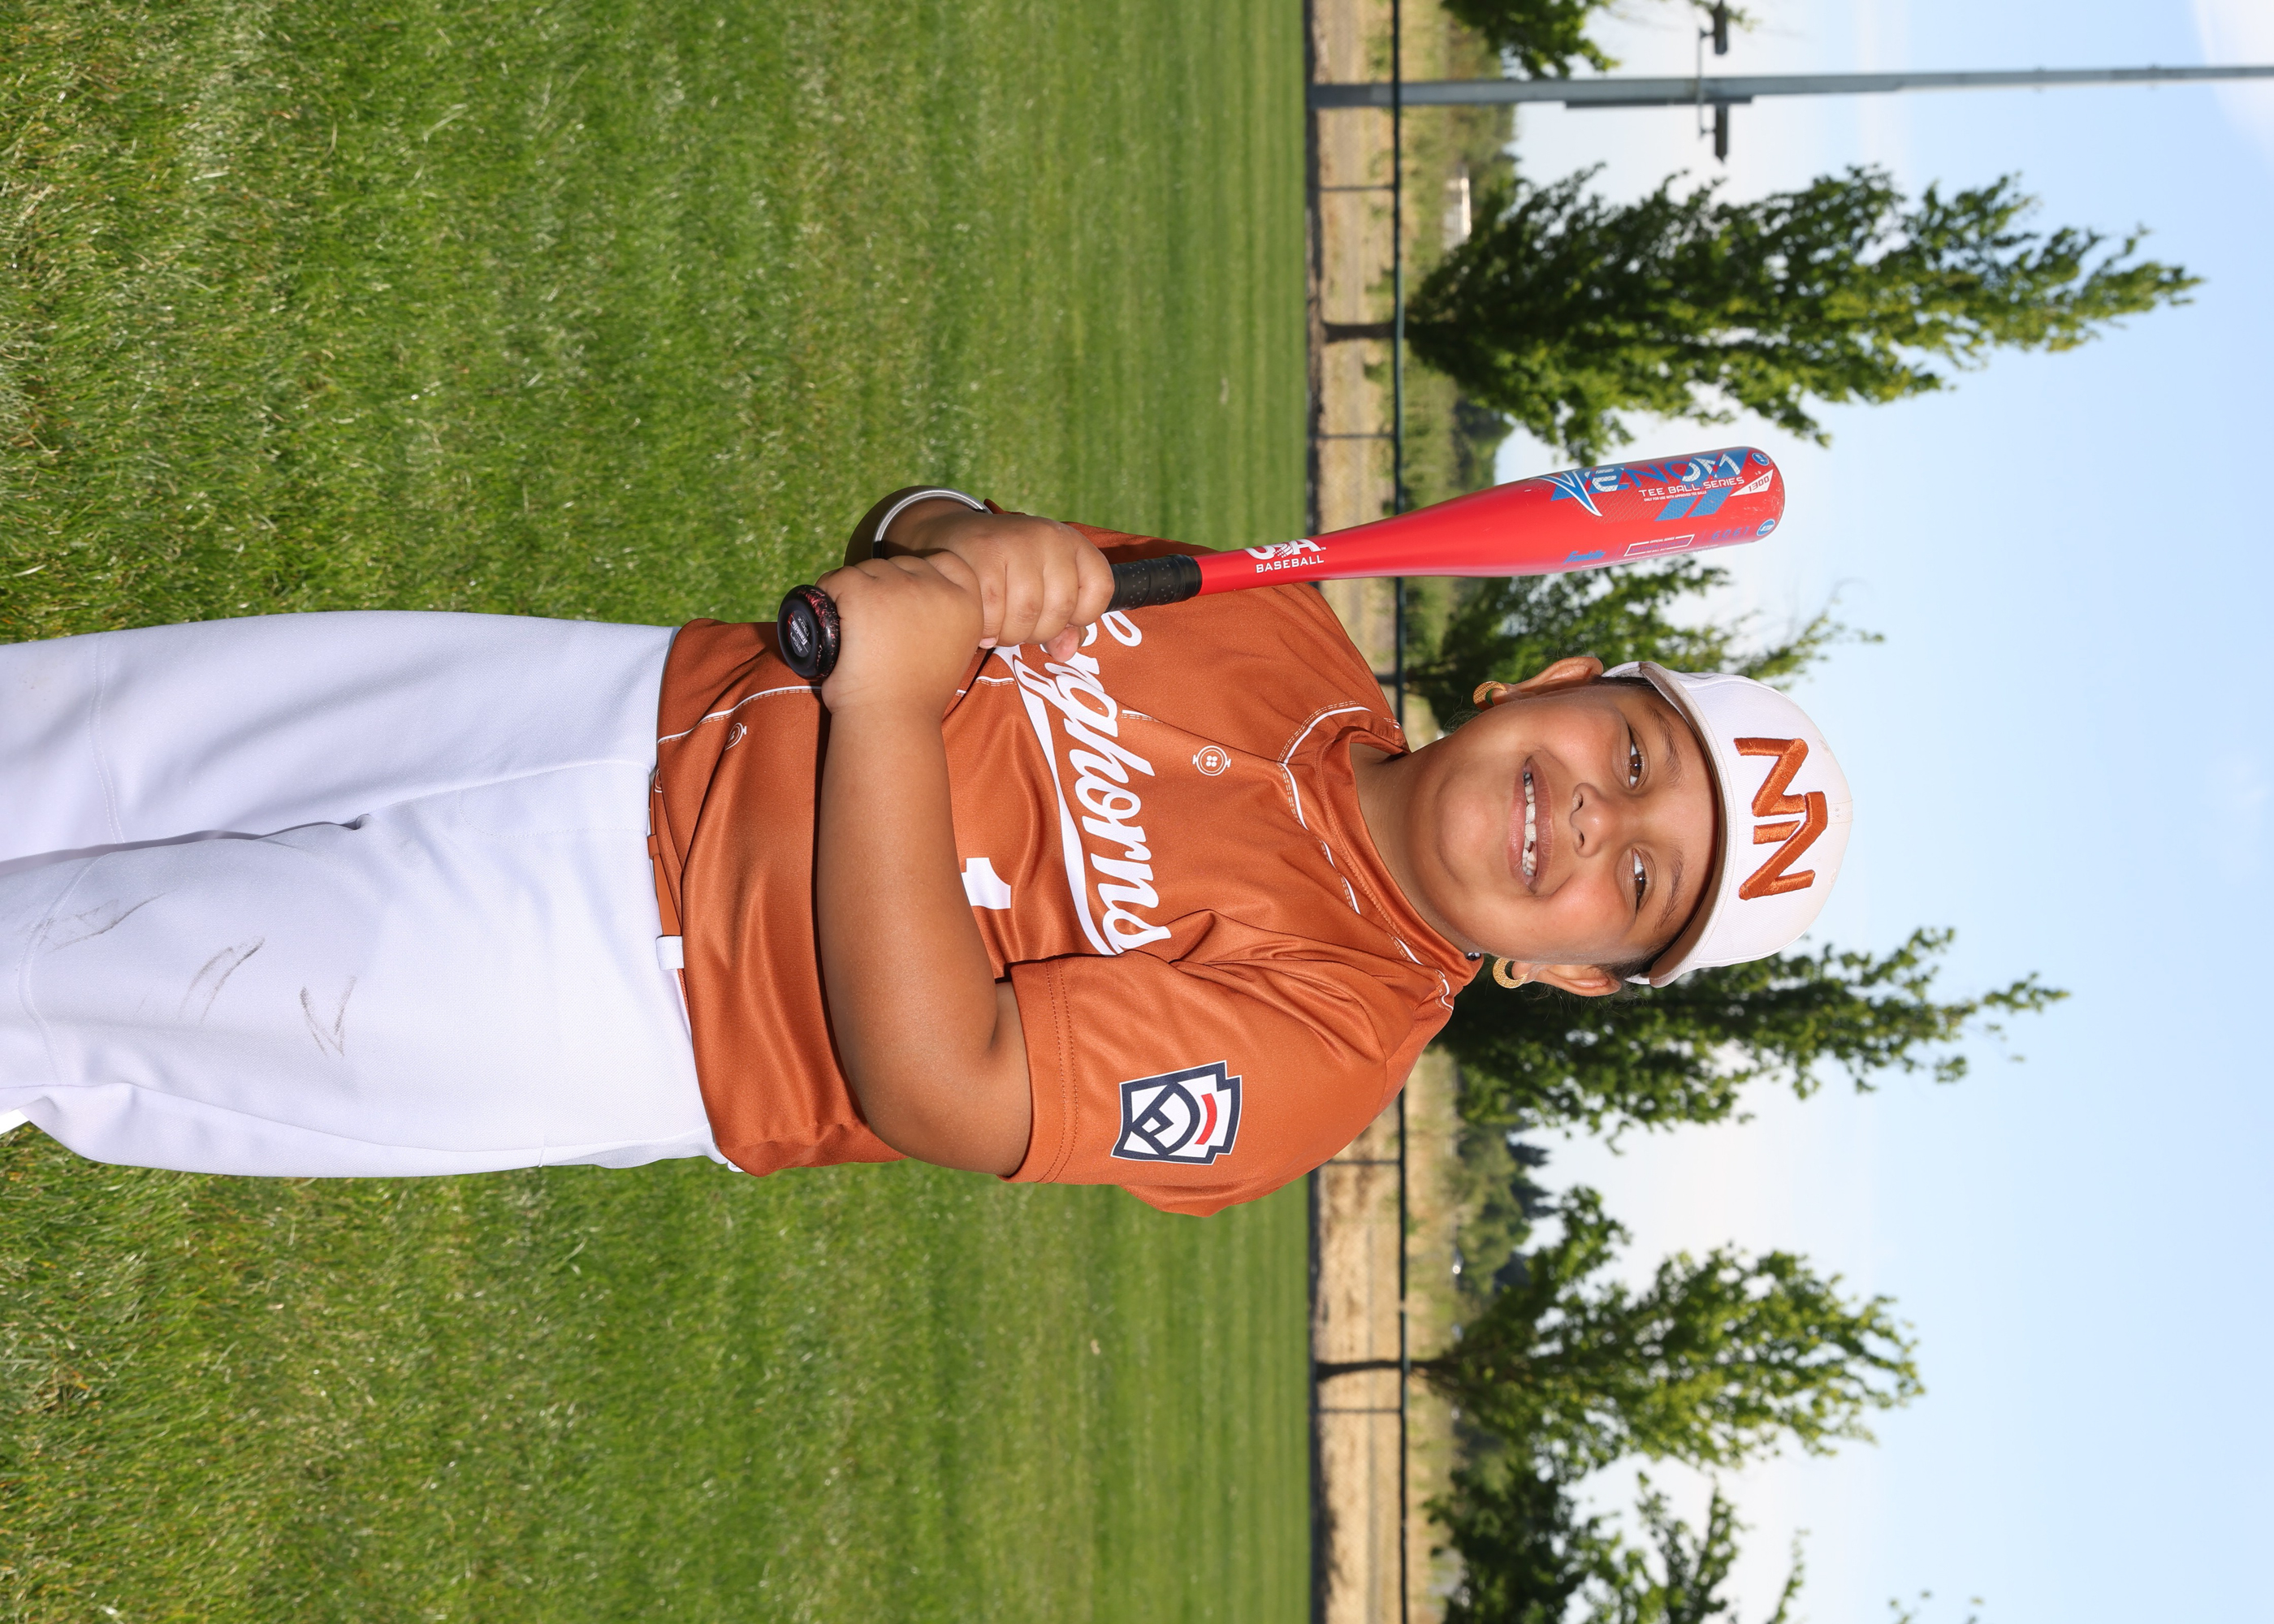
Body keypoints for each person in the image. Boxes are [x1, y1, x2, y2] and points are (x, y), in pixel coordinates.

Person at [0, 486, 1851, 1213]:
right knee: (64, 735)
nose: (1590, 817)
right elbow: (919, 540)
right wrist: (969, 540)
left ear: (1568, 973)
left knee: (58, 974)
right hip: (609, 698)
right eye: (1628, 755)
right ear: (1554, 684)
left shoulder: (1324, 1050)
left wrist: (889, 704)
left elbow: (945, 1083)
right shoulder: (1286, 632)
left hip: (625, 990)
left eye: (1636, 882)